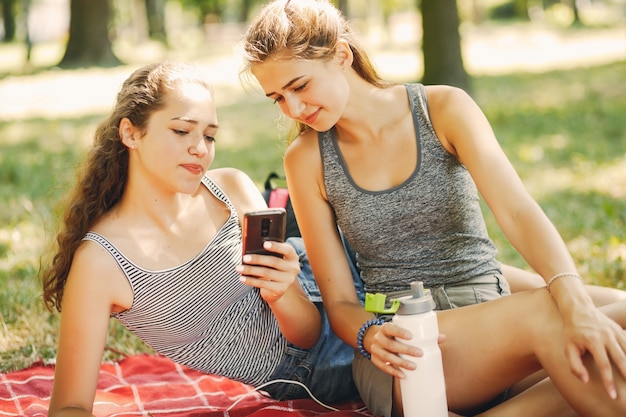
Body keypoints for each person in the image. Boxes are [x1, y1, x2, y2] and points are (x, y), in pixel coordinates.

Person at [240, 0, 626, 415]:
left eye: (299, 86)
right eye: (278, 98)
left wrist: (575, 302)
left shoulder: (443, 109)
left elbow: (516, 211)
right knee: (554, 317)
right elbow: (340, 304)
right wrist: (370, 336)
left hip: (494, 321)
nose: (294, 109)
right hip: (408, 345)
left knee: (596, 344)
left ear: (341, 54)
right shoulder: (307, 158)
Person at [40, 61, 364, 417]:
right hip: (312, 366)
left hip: (340, 268)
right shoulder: (100, 263)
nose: (200, 148)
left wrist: (283, 290)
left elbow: (309, 321)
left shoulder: (231, 188)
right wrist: (279, 293)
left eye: (209, 136)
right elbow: (69, 405)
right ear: (131, 134)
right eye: (182, 131)